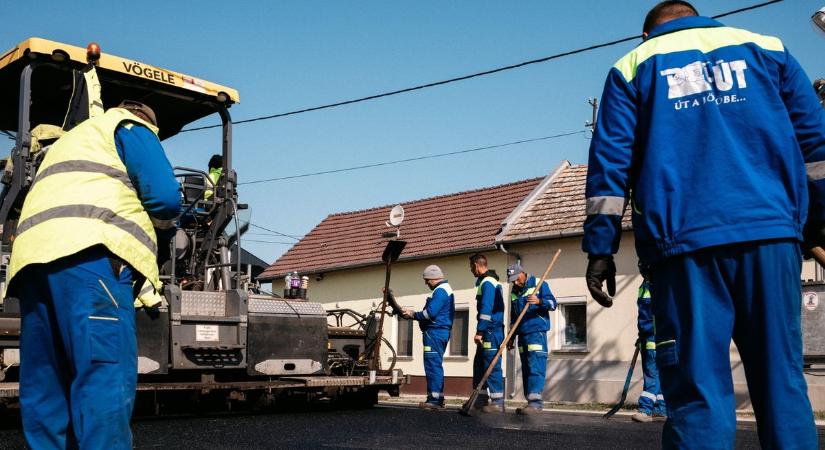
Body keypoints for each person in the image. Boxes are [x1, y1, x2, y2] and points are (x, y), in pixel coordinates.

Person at [583, 1, 823, 447]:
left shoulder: (633, 66)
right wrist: (817, 224)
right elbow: (817, 145)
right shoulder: (768, 49)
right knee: (782, 381)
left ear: (648, 33)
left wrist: (601, 249)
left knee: (697, 389)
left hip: (683, 246)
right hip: (769, 235)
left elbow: (609, 167)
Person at [7, 100, 181, 449]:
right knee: (102, 373)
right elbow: (165, 199)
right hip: (92, 259)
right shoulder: (131, 126)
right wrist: (163, 234)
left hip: (31, 263)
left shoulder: (65, 145)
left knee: (45, 380)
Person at [402, 265, 455, 410]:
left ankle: (434, 400)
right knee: (435, 365)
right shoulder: (445, 290)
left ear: (433, 278)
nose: (426, 283)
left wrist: (413, 314)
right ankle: (438, 397)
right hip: (440, 332)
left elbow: (429, 313)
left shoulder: (440, 291)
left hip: (434, 333)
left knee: (432, 366)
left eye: (427, 280)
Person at [506, 264, 556, 415]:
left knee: (536, 366)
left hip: (536, 332)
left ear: (523, 273)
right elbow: (514, 317)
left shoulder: (539, 284)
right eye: (512, 280)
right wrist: (510, 337)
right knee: (527, 369)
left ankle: (535, 403)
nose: (515, 283)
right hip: (522, 335)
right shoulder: (514, 291)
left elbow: (553, 304)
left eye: (516, 279)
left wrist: (539, 301)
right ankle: (531, 403)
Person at [468, 253, 505, 413]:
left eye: (471, 267)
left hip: (490, 330)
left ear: (476, 265)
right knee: (480, 365)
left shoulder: (488, 282)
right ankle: (481, 400)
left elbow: (486, 309)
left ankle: (497, 402)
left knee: (491, 365)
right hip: (488, 330)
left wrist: (480, 331)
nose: (471, 270)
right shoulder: (486, 281)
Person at [632, 269, 666, 423]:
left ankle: (645, 410)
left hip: (652, 338)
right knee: (660, 373)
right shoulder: (663, 283)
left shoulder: (649, 287)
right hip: (658, 338)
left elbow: (646, 315)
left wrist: (644, 334)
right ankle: (661, 409)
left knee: (652, 374)